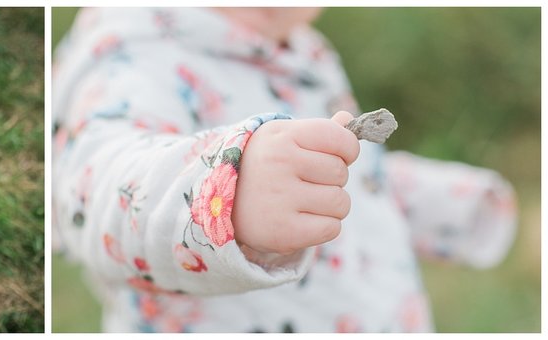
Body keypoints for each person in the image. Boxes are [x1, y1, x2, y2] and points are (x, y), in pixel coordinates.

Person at [52, 8, 517, 332]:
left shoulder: (302, 50)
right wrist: (225, 190)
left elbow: (332, 173)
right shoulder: (135, 56)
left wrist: (443, 202)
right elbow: (91, 194)